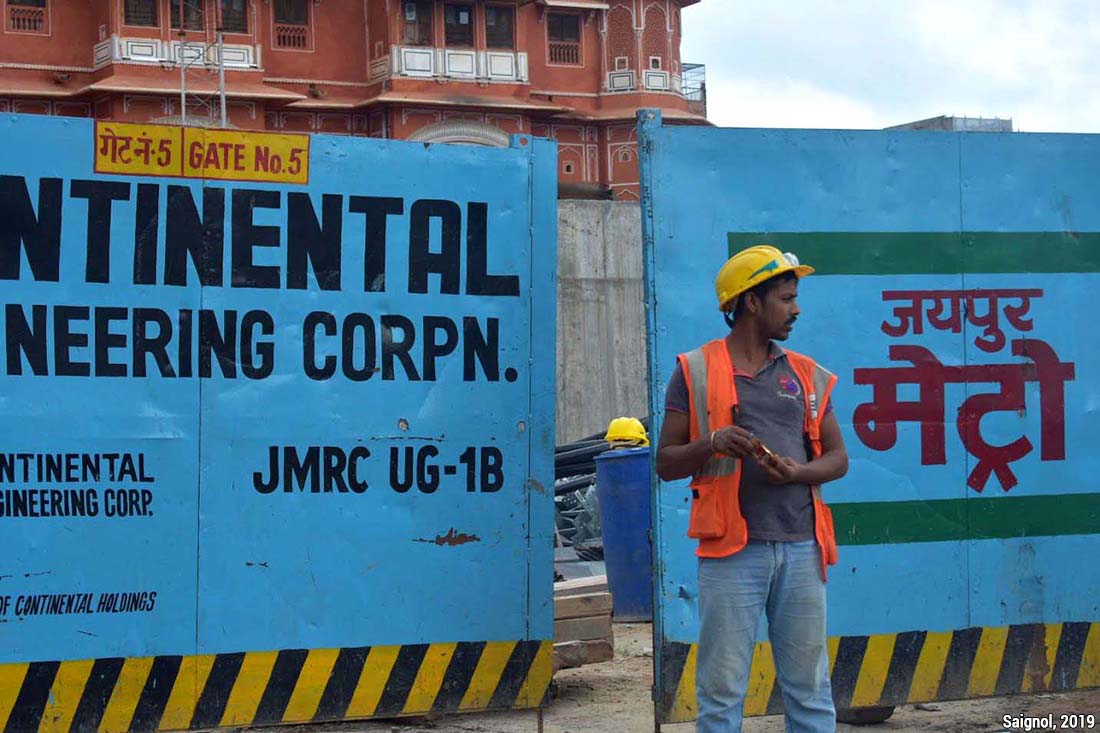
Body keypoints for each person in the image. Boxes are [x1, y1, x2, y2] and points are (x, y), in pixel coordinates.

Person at [655, 245, 849, 733]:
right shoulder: (694, 370)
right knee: (721, 693)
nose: (796, 309)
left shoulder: (804, 373)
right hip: (731, 553)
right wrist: (713, 443)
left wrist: (798, 472)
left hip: (802, 548)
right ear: (750, 303)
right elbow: (665, 462)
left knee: (810, 689)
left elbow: (837, 458)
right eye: (786, 298)